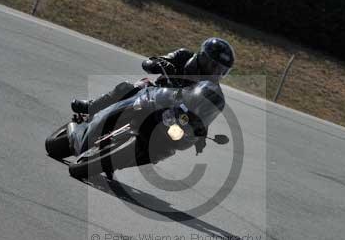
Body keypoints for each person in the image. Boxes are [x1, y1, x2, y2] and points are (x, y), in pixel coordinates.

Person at [71, 37, 235, 156]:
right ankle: (93, 106)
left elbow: (204, 115)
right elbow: (151, 62)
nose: (215, 72)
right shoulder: (184, 56)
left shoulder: (211, 93)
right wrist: (161, 63)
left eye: (220, 70)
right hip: (154, 94)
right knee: (130, 87)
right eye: (212, 65)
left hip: (172, 116)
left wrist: (199, 133)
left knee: (168, 148)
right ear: (202, 56)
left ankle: (125, 157)